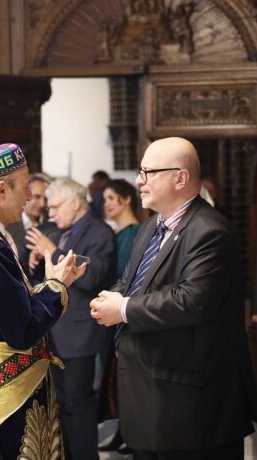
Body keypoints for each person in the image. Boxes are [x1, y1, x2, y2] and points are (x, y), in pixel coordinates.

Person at [90, 137, 257, 460]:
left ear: (180, 178)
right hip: (151, 396)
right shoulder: (151, 226)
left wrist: (123, 309)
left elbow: (191, 300)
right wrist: (109, 298)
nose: (139, 180)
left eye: (149, 172)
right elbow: (129, 281)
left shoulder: (209, 230)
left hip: (190, 405)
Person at [0, 143, 86, 460]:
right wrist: (57, 286)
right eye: (25, 189)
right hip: (4, 396)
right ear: (1, 189)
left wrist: (47, 286)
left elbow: (1, 308)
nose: (29, 199)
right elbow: (21, 331)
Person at [26, 177, 117, 460]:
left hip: (80, 338)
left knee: (78, 408)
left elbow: (92, 277)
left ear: (75, 203)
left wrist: (52, 252)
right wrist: (38, 262)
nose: (49, 213)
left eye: (54, 207)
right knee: (61, 406)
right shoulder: (58, 230)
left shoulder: (99, 232)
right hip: (54, 335)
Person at [98, 179, 140, 453]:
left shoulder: (136, 233)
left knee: (126, 378)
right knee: (115, 380)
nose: (106, 204)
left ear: (126, 199)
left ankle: (132, 434)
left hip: (126, 312)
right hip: (111, 310)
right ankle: (122, 431)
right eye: (105, 199)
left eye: (111, 198)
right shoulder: (115, 233)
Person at [7, 172, 57, 271]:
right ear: (24, 195)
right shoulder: (8, 225)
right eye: (37, 197)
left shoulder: (55, 225)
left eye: (46, 199)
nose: (43, 204)